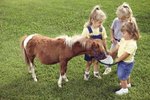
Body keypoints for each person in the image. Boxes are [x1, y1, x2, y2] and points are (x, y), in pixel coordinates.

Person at [109, 19, 140, 95]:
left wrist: (118, 59)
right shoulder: (124, 39)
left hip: (126, 63)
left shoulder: (132, 44)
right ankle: (128, 84)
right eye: (122, 32)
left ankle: (124, 89)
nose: (122, 34)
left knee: (122, 75)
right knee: (126, 74)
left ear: (131, 33)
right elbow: (118, 45)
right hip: (122, 61)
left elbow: (126, 54)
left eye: (124, 33)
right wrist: (111, 51)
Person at [103, 2, 134, 75]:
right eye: (119, 18)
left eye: (122, 19)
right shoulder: (116, 20)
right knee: (111, 54)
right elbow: (112, 29)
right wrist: (112, 37)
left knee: (122, 56)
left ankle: (121, 68)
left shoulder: (129, 23)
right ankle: (108, 67)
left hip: (124, 43)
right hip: (115, 41)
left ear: (127, 17)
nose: (120, 20)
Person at [82, 5, 107, 80]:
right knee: (89, 62)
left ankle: (96, 73)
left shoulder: (101, 29)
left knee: (96, 61)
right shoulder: (87, 30)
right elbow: (83, 41)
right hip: (89, 51)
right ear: (93, 20)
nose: (101, 24)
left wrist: (106, 49)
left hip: (98, 50)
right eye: (99, 22)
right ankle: (86, 73)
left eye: (101, 22)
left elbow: (104, 40)